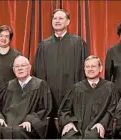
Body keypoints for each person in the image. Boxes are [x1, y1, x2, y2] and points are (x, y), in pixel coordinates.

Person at [33, 9, 89, 137]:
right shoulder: (44, 45)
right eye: (55, 19)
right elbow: (38, 72)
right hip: (49, 94)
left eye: (61, 18)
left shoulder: (78, 43)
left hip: (72, 93)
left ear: (68, 21)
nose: (57, 21)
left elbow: (86, 70)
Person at [0, 56, 52, 139]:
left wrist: (30, 120)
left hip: (27, 126)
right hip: (6, 124)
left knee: (17, 132)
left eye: (23, 65)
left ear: (29, 67)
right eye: (17, 66)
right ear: (13, 70)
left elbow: (45, 108)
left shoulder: (40, 85)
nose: (20, 68)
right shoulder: (8, 86)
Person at [58, 55, 119, 139]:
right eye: (87, 66)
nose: (90, 69)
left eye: (93, 66)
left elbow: (112, 111)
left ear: (100, 68)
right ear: (84, 69)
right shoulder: (76, 88)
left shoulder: (110, 88)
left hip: (97, 127)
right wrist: (68, 122)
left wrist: (102, 124)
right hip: (77, 129)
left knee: (93, 136)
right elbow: (64, 110)